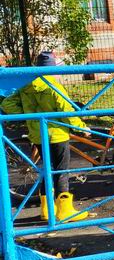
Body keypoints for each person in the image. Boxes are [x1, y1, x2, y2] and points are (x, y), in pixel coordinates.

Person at [0, 52, 89, 222]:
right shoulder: (53, 86)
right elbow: (66, 111)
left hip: (37, 134)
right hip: (57, 135)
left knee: (46, 170)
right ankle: (64, 210)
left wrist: (28, 115)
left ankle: (46, 210)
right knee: (61, 170)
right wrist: (82, 128)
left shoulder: (25, 86)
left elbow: (7, 104)